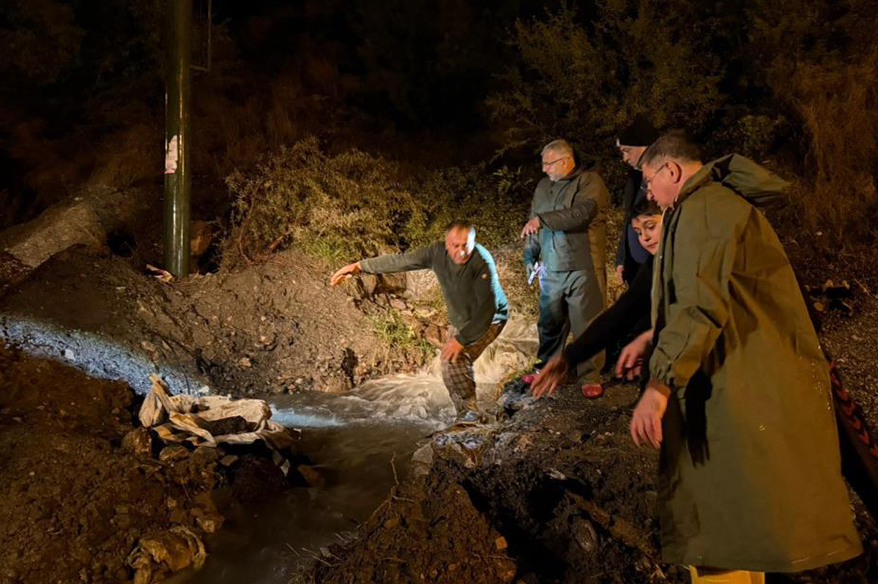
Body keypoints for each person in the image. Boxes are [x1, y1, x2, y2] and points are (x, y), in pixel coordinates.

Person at [628, 132, 861, 583]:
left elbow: (699, 304)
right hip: (735, 372)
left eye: (649, 182)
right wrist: (654, 335)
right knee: (739, 521)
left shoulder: (705, 210)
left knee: (719, 519)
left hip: (733, 382)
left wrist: (658, 386)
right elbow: (704, 293)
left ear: (671, 171)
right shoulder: (710, 206)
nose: (648, 194)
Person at [330, 221, 508, 425]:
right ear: (446, 243)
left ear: (474, 242)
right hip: (461, 319)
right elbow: (401, 261)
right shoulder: (435, 252)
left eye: (465, 245)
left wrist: (461, 340)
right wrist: (359, 267)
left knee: (455, 359)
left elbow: (487, 309)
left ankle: (471, 415)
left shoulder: (482, 262)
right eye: (455, 245)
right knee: (448, 366)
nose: (461, 251)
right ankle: (466, 416)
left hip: (490, 319)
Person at [530, 198, 663, 399]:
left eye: (650, 227)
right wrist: (569, 357)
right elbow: (623, 312)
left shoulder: (691, 259)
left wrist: (651, 336)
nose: (644, 238)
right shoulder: (655, 264)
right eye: (637, 233)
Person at [521, 139, 608, 397]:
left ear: (565, 160)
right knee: (549, 321)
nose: (544, 169)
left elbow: (582, 213)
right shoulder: (542, 187)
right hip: (551, 265)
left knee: (587, 320)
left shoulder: (590, 182)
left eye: (548, 163)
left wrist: (543, 220)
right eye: (543, 163)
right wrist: (530, 258)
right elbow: (532, 225)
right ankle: (547, 367)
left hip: (584, 264)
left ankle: (590, 375)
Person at [614, 115, 660, 285]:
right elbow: (629, 220)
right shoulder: (634, 179)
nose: (624, 158)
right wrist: (622, 258)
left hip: (657, 266)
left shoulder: (663, 180)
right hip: (636, 267)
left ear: (646, 147)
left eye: (627, 150)